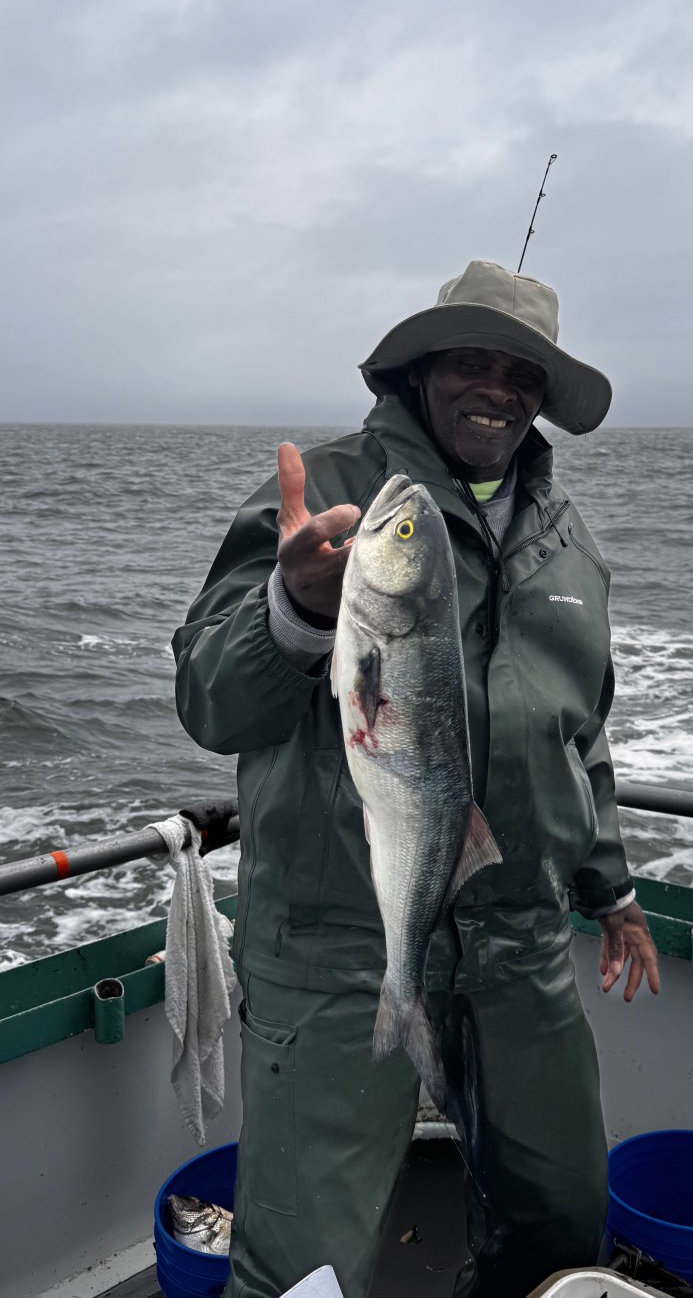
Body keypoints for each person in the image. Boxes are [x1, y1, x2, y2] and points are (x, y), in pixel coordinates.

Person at [173, 260, 660, 1298]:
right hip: (337, 940)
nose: (497, 389)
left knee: (563, 1222)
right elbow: (211, 701)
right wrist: (296, 610)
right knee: (301, 1261)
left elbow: (583, 736)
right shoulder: (332, 501)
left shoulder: (568, 544)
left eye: (521, 372)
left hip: (520, 935)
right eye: (471, 362)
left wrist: (610, 891)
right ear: (419, 372)